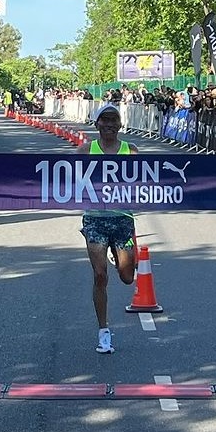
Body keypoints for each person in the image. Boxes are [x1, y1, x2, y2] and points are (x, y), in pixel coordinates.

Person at [75, 104, 138, 355]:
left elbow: (146, 180)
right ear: (96, 124)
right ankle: (103, 332)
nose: (109, 124)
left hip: (122, 218)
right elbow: (64, 177)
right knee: (100, 276)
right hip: (95, 218)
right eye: (105, 119)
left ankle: (117, 253)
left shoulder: (130, 151)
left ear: (120, 125)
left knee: (126, 277)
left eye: (114, 119)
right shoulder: (84, 151)